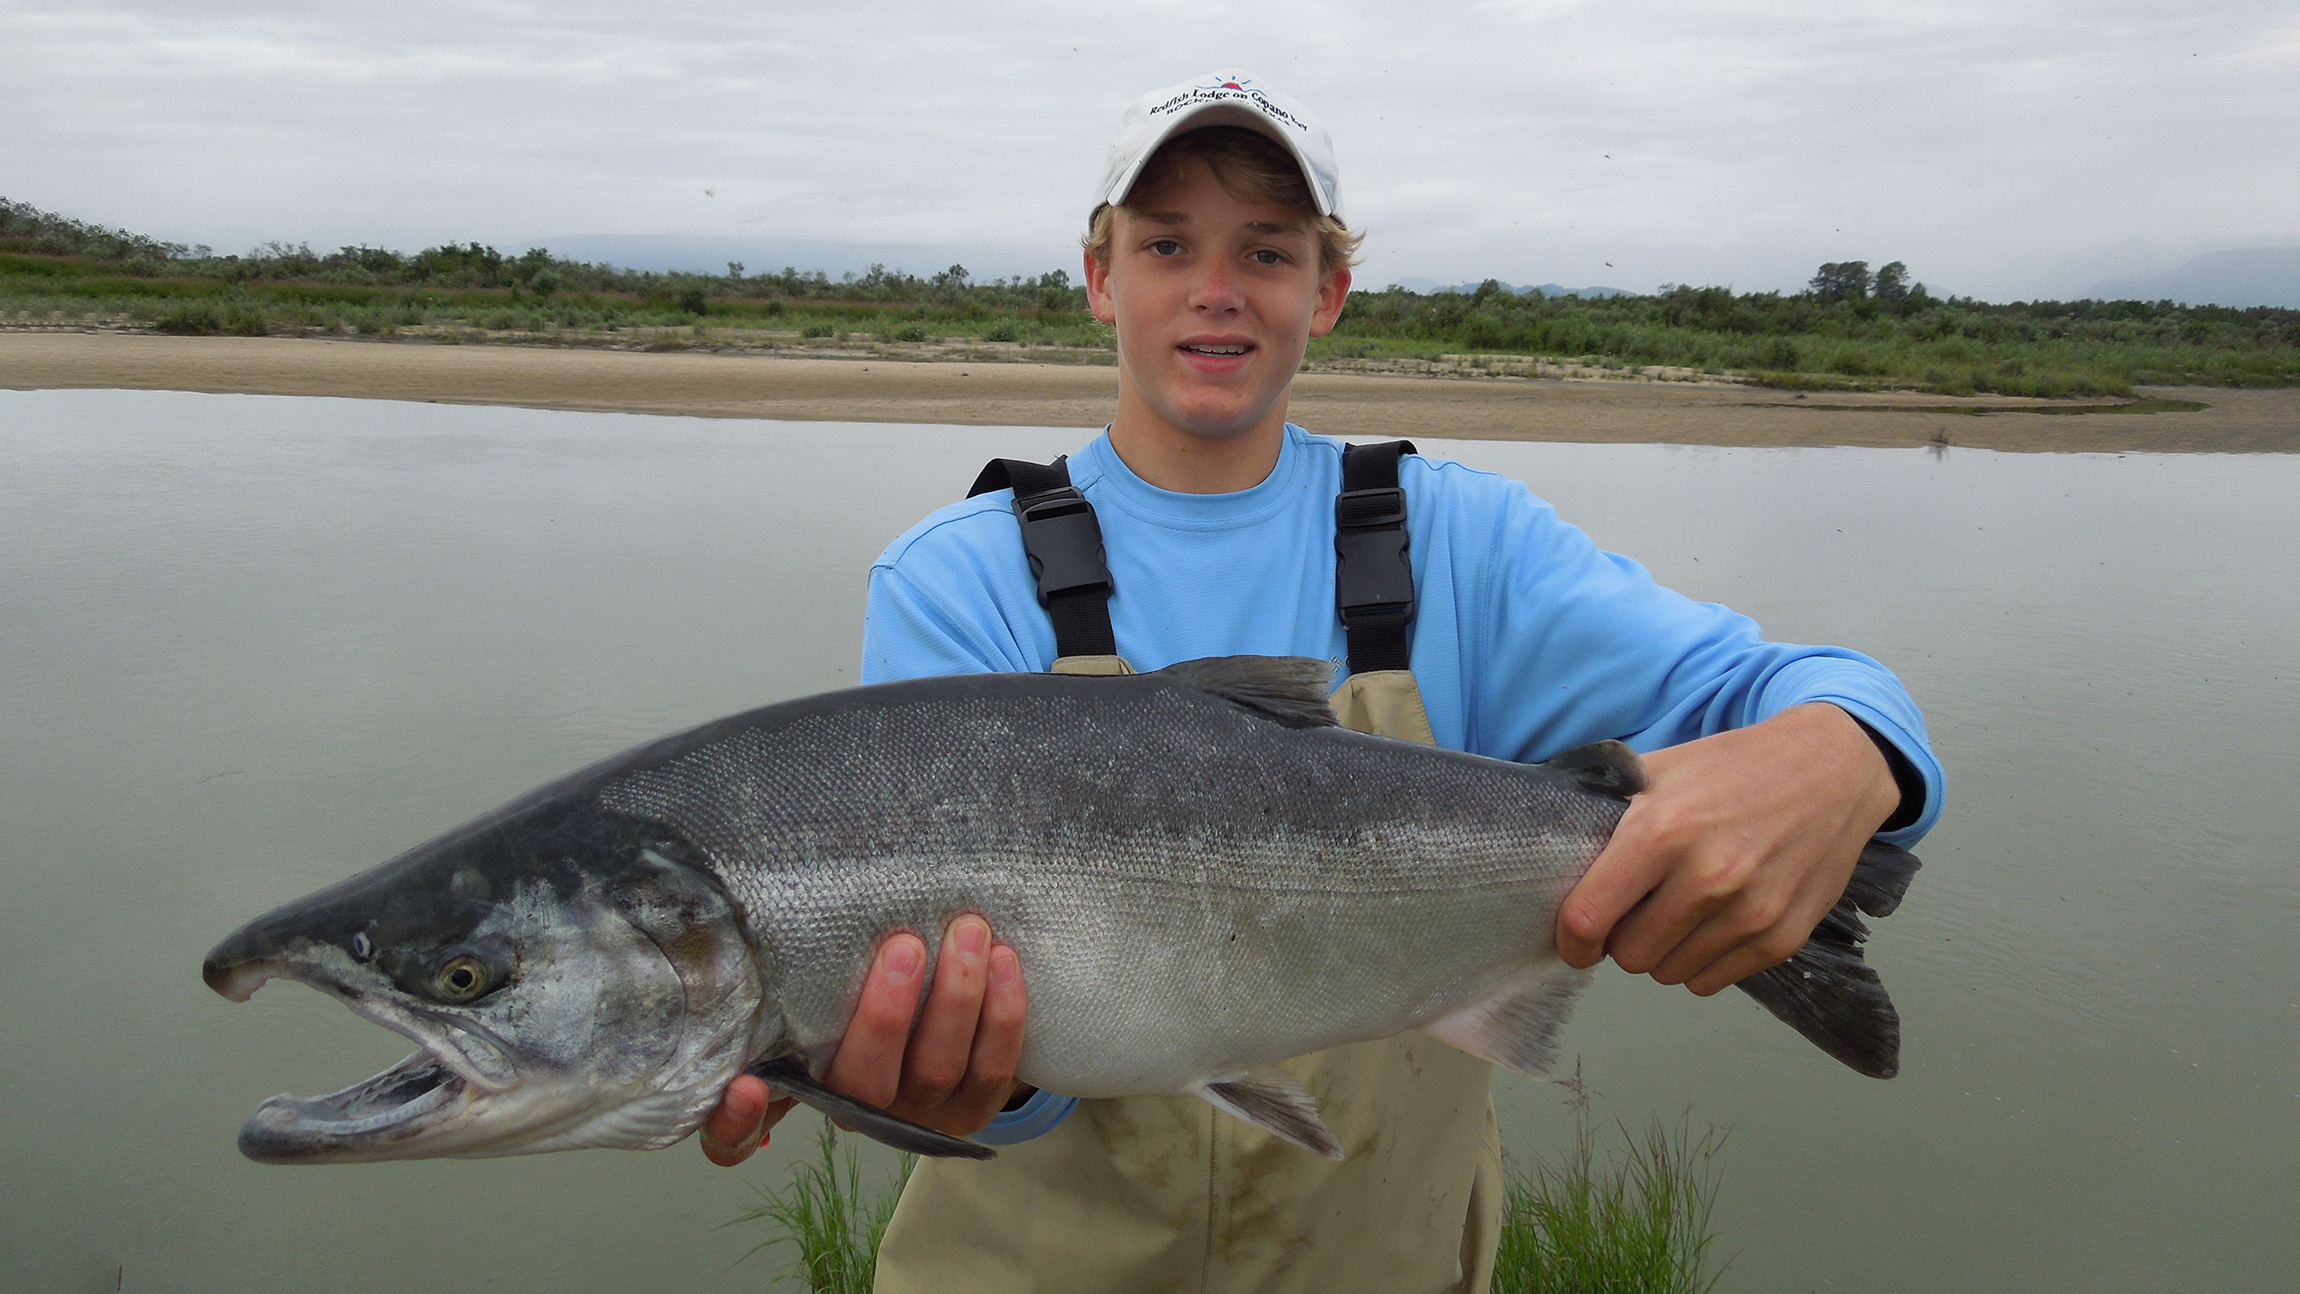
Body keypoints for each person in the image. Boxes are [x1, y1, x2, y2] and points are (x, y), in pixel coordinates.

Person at [699, 71, 1942, 1294]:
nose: (1216, 292)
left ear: (1328, 290)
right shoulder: (953, 581)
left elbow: (1799, 687)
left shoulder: (1464, 545)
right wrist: (971, 1080)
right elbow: (998, 1111)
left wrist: (1849, 756)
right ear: (1098, 278)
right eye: (1168, 243)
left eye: (1269, 252)